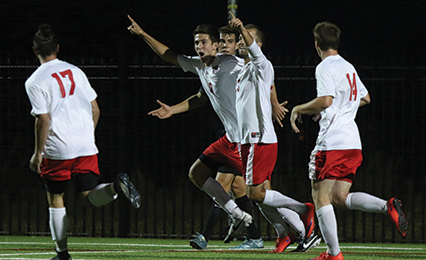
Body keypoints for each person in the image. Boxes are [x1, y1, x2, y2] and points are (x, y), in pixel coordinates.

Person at [127, 15, 257, 245]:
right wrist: (143, 34)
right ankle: (237, 217)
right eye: (196, 42)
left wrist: (273, 102)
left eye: (204, 42)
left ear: (216, 45)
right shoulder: (201, 66)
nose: (199, 46)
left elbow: (260, 74)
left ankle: (301, 221)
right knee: (198, 174)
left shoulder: (232, 65)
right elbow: (171, 58)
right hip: (229, 139)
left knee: (261, 194)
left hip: (248, 140)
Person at [290, 21, 408, 260]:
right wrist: (333, 109)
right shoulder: (348, 66)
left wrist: (298, 109)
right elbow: (365, 98)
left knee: (320, 197)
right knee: (339, 198)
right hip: (353, 142)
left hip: (332, 142)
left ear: (317, 44)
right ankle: (387, 205)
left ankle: (333, 254)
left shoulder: (324, 67)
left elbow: (325, 100)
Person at [25, 24, 141, 260]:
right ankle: (115, 187)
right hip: (85, 144)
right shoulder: (76, 71)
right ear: (57, 48)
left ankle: (62, 253)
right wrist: (87, 135)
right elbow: (95, 108)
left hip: (58, 148)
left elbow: (43, 119)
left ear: (35, 49)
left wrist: (38, 152)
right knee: (90, 194)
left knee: (56, 197)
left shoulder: (35, 81)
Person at [228, 14, 321, 253]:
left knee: (254, 193)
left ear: (256, 44)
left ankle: (304, 209)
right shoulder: (246, 68)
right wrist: (275, 102)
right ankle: (286, 234)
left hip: (261, 139)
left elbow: (259, 60)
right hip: (247, 141)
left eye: (243, 40)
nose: (239, 43)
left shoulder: (262, 62)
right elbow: (268, 87)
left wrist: (241, 27)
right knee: (262, 195)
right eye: (238, 39)